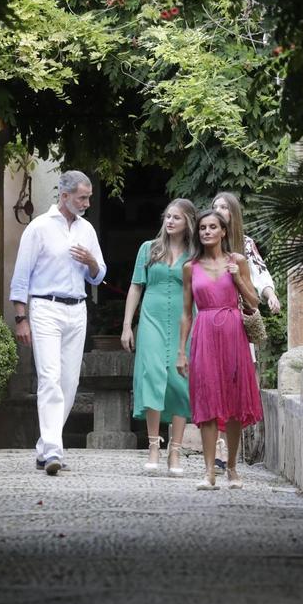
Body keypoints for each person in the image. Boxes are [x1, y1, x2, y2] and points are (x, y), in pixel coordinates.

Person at [9, 170, 106, 476]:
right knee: (49, 378)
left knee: (69, 383)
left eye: (88, 197)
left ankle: (44, 446)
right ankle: (53, 450)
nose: (87, 202)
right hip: (45, 307)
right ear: (64, 196)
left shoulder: (87, 229)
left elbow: (99, 274)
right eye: (82, 197)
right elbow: (21, 276)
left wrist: (91, 262)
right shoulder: (38, 228)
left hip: (77, 309)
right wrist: (21, 318)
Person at [176, 210, 263, 490]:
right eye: (202, 227)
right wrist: (181, 350)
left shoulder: (237, 261)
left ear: (224, 231)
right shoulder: (190, 266)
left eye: (213, 227)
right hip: (204, 333)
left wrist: (238, 278)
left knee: (235, 404)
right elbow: (186, 313)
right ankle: (209, 471)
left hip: (233, 332)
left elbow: (253, 302)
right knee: (208, 401)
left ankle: (233, 468)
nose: (207, 232)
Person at [121, 199, 197, 475]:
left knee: (179, 381)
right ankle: (153, 446)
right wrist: (127, 324)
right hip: (151, 318)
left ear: (187, 221)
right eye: (167, 216)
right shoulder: (148, 249)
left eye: (176, 218)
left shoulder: (194, 254)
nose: (170, 221)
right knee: (152, 375)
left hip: (183, 320)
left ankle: (174, 452)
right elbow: (135, 287)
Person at [205, 191, 280, 470]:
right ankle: (222, 446)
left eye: (224, 207)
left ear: (233, 213)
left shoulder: (245, 245)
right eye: (215, 207)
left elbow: (261, 274)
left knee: (234, 383)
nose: (219, 210)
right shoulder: (205, 244)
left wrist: (270, 295)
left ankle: (232, 447)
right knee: (216, 383)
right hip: (211, 322)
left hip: (237, 322)